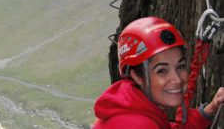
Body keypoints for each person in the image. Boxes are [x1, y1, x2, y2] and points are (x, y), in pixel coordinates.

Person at [93, 17, 224, 128]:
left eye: (181, 66)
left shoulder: (133, 106)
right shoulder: (137, 124)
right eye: (161, 71)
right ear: (137, 76)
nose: (177, 79)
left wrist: (210, 109)